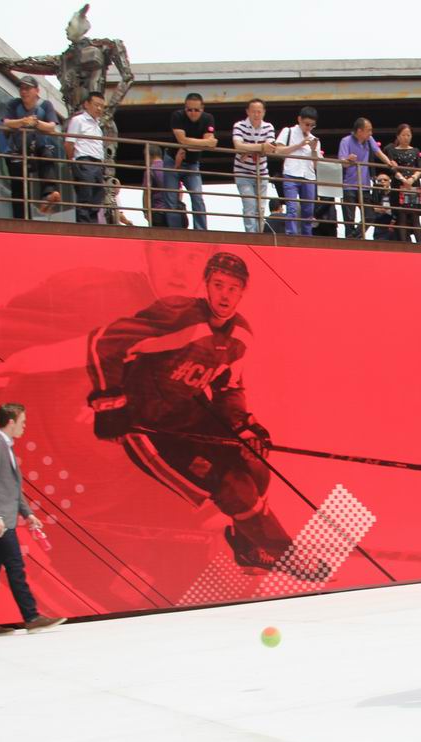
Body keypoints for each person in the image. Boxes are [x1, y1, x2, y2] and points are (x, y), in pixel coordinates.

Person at [86, 252, 327, 580]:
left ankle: (250, 550)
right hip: (148, 429)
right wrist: (110, 402)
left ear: (242, 292)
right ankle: (287, 554)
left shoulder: (240, 336)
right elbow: (105, 342)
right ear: (207, 286)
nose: (225, 295)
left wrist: (243, 425)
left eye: (233, 288)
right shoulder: (178, 317)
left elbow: (228, 390)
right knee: (231, 488)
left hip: (188, 420)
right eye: (218, 285)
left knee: (255, 465)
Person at [0, 403, 67, 635]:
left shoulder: (6, 446)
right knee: (15, 566)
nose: (24, 427)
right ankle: (31, 616)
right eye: (22, 422)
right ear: (11, 421)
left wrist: (28, 514)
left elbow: (12, 488)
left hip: (0, 518)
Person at [0, 75, 61, 219]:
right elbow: (6, 123)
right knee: (18, 186)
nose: (24, 92)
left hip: (38, 147)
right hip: (17, 149)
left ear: (37, 90)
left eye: (27, 88)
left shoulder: (45, 105)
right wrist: (23, 121)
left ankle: (49, 194)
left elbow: (52, 126)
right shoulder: (14, 104)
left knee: (47, 155)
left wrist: (36, 123)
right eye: (21, 88)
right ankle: (21, 218)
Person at [338, 118, 397, 239]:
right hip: (348, 185)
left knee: (370, 216)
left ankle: (352, 238)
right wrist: (348, 160)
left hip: (364, 185)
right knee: (349, 219)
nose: (371, 133)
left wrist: (389, 162)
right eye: (368, 130)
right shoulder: (346, 141)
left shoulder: (369, 140)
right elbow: (342, 162)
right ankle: (351, 243)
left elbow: (378, 152)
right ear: (359, 131)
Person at [166, 92, 216, 230]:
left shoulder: (208, 118)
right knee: (171, 198)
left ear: (202, 109)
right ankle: (174, 232)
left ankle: (201, 231)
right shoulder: (177, 116)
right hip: (172, 160)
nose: (193, 113)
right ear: (184, 108)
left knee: (197, 196)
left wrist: (186, 145)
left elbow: (209, 143)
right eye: (189, 110)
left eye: (196, 110)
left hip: (192, 164)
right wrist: (203, 143)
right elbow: (184, 140)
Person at [273, 106, 323, 236]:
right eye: (307, 124)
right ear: (299, 120)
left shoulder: (315, 139)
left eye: (312, 125)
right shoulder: (288, 131)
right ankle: (291, 235)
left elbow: (317, 164)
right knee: (292, 207)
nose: (309, 128)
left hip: (309, 176)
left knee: (308, 211)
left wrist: (313, 149)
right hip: (291, 173)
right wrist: (300, 144)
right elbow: (278, 151)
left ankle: (307, 237)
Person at [232, 99, 277, 233]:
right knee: (249, 204)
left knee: (261, 208)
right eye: (253, 112)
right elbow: (238, 146)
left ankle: (259, 235)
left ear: (263, 113)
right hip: (243, 172)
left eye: (259, 112)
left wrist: (249, 149)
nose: (256, 115)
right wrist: (261, 147)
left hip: (261, 172)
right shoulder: (239, 125)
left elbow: (270, 148)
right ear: (247, 112)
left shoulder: (268, 127)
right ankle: (251, 236)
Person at [64, 91, 107, 224]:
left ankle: (93, 225)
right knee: (85, 195)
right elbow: (69, 143)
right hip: (84, 161)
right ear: (86, 104)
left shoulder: (98, 125)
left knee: (98, 195)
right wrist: (73, 162)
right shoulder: (78, 120)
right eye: (96, 105)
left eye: (101, 106)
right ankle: (84, 226)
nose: (99, 108)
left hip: (98, 164)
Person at [385, 124, 421, 242]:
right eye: (403, 135)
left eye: (408, 135)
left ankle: (419, 244)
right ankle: (404, 243)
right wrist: (403, 179)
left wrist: (412, 179)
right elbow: (392, 168)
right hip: (399, 184)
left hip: (414, 184)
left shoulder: (415, 150)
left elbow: (420, 168)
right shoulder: (392, 151)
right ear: (398, 136)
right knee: (401, 216)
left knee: (415, 216)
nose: (406, 137)